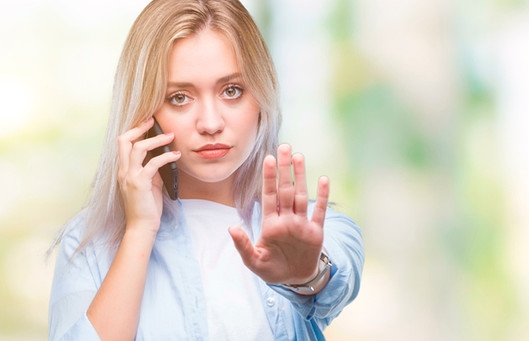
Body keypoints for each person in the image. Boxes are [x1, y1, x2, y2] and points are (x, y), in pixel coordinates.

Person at [48, 0, 364, 340]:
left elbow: (334, 283)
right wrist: (139, 231)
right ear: (143, 112)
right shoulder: (87, 245)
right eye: (179, 97)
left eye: (232, 91)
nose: (211, 124)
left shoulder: (317, 229)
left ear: (262, 96)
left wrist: (307, 276)